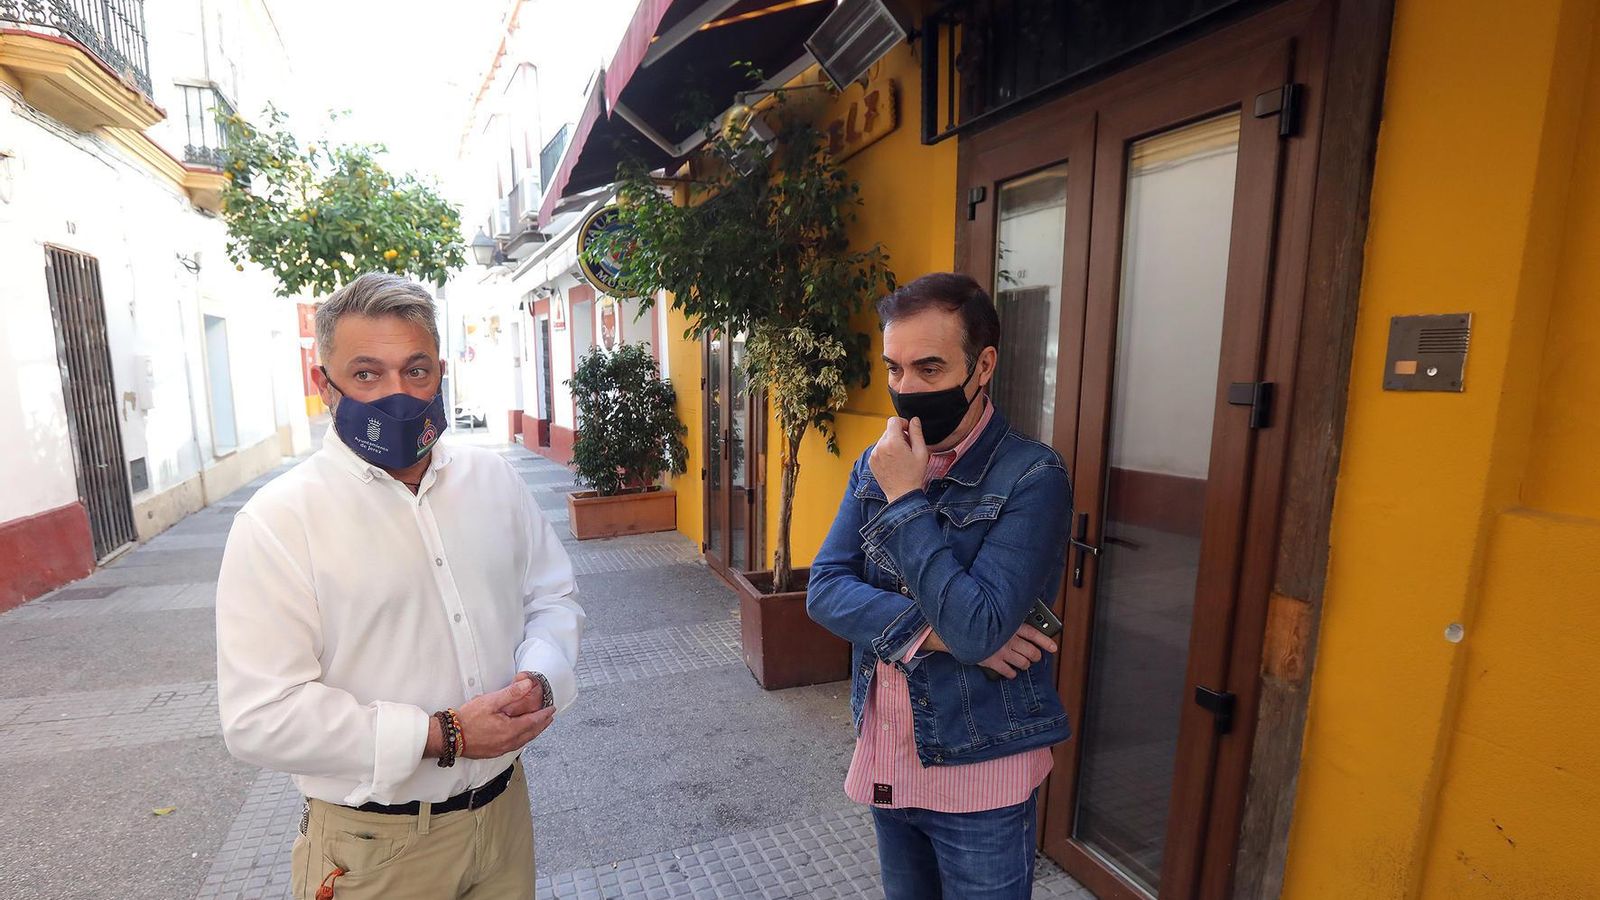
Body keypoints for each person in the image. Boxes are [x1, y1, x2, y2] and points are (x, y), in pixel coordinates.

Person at [215, 273, 583, 899]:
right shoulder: (279, 522)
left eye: (416, 371)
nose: (398, 394)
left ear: (441, 372)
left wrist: (540, 677)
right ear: (324, 384)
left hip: (503, 817)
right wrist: (443, 735)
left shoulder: (492, 481)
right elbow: (259, 717)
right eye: (366, 374)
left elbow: (551, 597)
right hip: (373, 851)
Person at [808, 272, 1073, 899]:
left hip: (981, 770)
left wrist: (906, 498)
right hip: (889, 752)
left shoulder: (1032, 476)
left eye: (930, 368)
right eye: (894, 369)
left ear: (983, 366)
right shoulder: (875, 464)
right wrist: (937, 636)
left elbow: (977, 627)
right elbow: (825, 589)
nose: (907, 390)